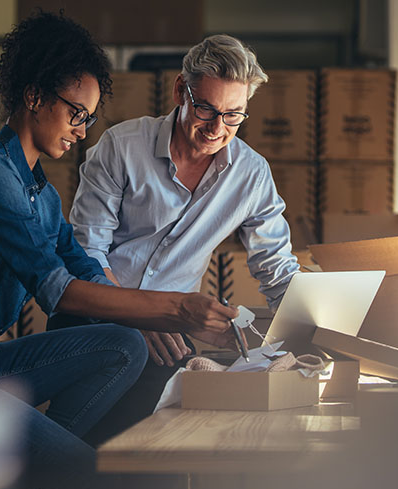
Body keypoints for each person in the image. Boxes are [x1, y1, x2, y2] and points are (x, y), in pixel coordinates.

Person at [0, 11, 236, 489]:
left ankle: (22, 480)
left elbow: (83, 265)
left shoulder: (40, 193)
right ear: (33, 95)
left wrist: (153, 318)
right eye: (75, 113)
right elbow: (59, 291)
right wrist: (177, 308)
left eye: (88, 119)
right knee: (88, 476)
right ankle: (34, 484)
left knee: (125, 345)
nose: (81, 132)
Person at [61, 34, 301, 445]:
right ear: (180, 91)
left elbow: (277, 270)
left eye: (233, 116)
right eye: (206, 108)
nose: (216, 128)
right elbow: (86, 253)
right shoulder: (121, 147)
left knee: (171, 452)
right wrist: (141, 313)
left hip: (169, 337)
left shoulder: (251, 174)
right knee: (91, 455)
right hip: (94, 322)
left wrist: (313, 331)